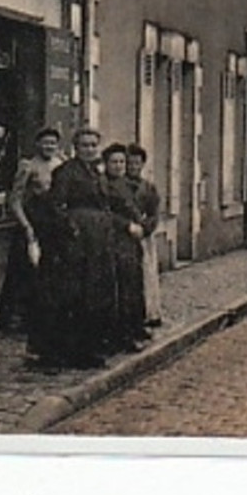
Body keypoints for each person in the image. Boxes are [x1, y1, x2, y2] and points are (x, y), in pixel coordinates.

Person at [32, 128, 119, 369]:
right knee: (68, 297)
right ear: (76, 148)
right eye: (84, 146)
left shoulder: (97, 174)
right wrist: (72, 230)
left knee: (93, 296)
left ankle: (86, 351)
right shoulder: (66, 172)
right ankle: (56, 355)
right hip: (73, 244)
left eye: (93, 145)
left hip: (97, 243)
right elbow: (56, 205)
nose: (89, 150)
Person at [0, 127, 61, 333]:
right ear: (37, 144)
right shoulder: (28, 166)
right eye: (45, 142)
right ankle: (14, 318)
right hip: (32, 222)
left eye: (53, 143)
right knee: (23, 271)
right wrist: (26, 227)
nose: (49, 146)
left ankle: (42, 317)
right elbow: (15, 200)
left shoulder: (60, 164)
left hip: (52, 224)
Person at [101, 143, 149, 352]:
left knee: (132, 287)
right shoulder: (103, 185)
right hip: (113, 241)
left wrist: (141, 223)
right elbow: (106, 213)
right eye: (114, 162)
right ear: (106, 164)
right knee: (119, 290)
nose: (119, 165)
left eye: (122, 161)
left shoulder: (126, 184)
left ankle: (133, 329)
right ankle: (120, 337)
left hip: (130, 242)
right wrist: (127, 224)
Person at [124, 144, 163, 328]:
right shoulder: (118, 185)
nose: (133, 167)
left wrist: (146, 228)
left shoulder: (148, 188)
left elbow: (155, 213)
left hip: (144, 237)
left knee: (146, 272)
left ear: (142, 165)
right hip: (124, 235)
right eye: (129, 163)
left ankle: (150, 312)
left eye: (137, 163)